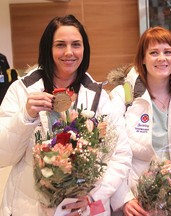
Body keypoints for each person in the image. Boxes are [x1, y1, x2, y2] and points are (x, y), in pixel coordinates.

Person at [0, 14, 132, 216]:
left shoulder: (100, 98)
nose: (69, 52)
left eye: (76, 45)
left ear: (84, 49)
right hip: (28, 208)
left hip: (81, 209)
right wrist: (25, 117)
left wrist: (93, 196)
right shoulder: (22, 90)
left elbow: (120, 156)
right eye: (60, 45)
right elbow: (3, 156)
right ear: (48, 48)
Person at [108, 26, 171, 215]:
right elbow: (109, 153)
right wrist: (123, 198)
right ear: (143, 59)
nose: (162, 58)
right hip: (133, 203)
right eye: (154, 52)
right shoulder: (123, 96)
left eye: (168, 52)